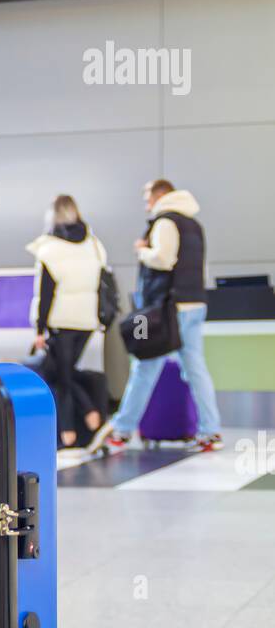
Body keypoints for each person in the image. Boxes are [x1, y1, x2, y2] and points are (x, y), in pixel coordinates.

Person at [90, 180, 223, 453]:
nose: (145, 203)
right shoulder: (194, 225)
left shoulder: (165, 222)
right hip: (194, 304)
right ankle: (210, 431)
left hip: (166, 309)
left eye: (147, 197)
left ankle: (122, 431)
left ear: (159, 196)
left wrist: (141, 250)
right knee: (195, 368)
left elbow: (164, 259)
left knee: (144, 364)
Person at [26, 195, 108, 448]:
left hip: (61, 322)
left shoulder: (49, 248)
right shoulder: (93, 244)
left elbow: (46, 293)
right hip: (86, 321)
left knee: (60, 377)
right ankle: (89, 414)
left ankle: (69, 430)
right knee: (64, 371)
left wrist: (40, 329)